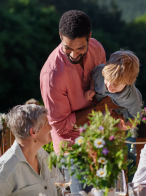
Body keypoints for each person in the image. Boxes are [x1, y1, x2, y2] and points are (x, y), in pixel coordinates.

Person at [39, 10, 120, 155]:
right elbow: (61, 127)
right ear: (60, 35)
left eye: (81, 48)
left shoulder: (97, 48)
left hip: (102, 143)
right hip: (73, 153)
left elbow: (103, 87)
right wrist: (100, 108)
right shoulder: (51, 75)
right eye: (68, 48)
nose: (74, 55)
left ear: (89, 36)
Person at [85, 50, 143, 120]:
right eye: (107, 79)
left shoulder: (132, 98)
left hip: (121, 112)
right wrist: (91, 89)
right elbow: (94, 73)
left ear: (128, 82)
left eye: (115, 84)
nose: (109, 86)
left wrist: (126, 126)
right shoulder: (100, 72)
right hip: (103, 106)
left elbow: (136, 117)